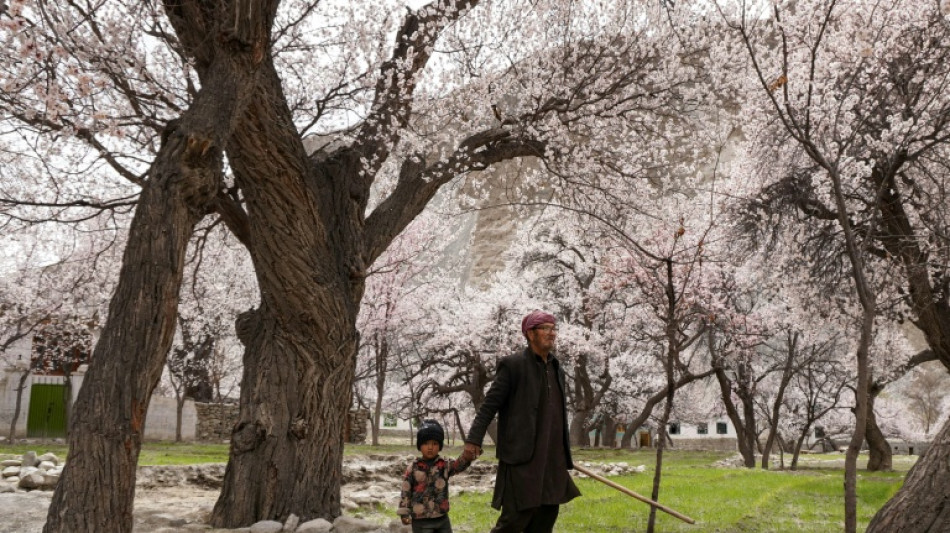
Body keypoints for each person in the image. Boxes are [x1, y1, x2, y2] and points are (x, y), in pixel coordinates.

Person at [464, 310, 581, 533]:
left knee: (545, 519)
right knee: (514, 521)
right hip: (523, 459)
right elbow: (490, 405)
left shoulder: (558, 369)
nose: (552, 333)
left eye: (554, 328)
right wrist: (473, 439)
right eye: (545, 328)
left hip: (552, 459)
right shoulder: (513, 365)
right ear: (530, 333)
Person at [397, 419, 473, 533]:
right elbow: (405, 490)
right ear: (419, 445)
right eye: (426, 443)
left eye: (435, 443)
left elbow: (458, 466)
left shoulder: (445, 465)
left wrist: (467, 457)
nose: (430, 447)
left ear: (440, 446)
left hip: (442, 518)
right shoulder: (413, 467)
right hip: (421, 520)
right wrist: (404, 513)